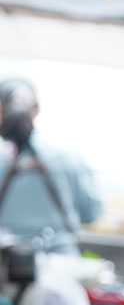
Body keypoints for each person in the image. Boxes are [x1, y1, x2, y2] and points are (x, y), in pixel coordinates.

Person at [0, 78, 102, 255]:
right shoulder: (69, 158)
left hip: (4, 268)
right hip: (60, 265)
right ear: (37, 110)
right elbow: (91, 214)